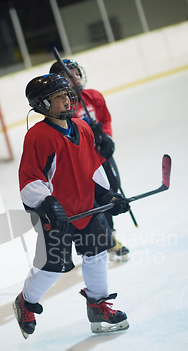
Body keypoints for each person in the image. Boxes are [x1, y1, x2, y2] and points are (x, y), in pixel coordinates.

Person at [13, 73, 130, 339]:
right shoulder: (38, 136)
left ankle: (98, 306)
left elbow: (92, 168)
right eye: (58, 97)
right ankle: (25, 302)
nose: (67, 100)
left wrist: (109, 197)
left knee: (97, 253)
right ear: (42, 104)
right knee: (53, 266)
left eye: (67, 95)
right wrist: (47, 202)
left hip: (87, 209)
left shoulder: (83, 127)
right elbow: (30, 177)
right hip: (58, 216)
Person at [49, 59, 129, 262]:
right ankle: (93, 240)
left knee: (111, 192)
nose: (74, 77)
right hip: (82, 165)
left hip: (102, 158)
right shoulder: (61, 108)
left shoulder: (93, 96)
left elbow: (106, 119)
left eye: (76, 73)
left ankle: (110, 236)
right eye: (69, 75)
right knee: (89, 201)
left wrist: (107, 137)